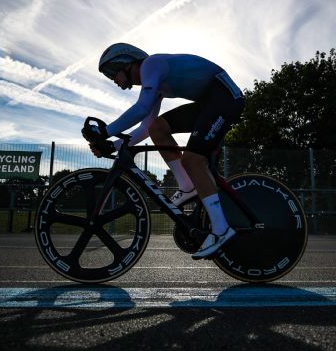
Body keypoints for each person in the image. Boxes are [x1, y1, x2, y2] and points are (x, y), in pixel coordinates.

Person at [86, 42, 245, 259]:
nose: (114, 80)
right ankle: (187, 185)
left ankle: (221, 230)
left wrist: (105, 131)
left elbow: (141, 108)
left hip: (225, 97)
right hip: (209, 101)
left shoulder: (151, 64)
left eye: (112, 73)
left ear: (125, 63)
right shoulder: (155, 84)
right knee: (157, 128)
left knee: (193, 160)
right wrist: (113, 145)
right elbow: (145, 126)